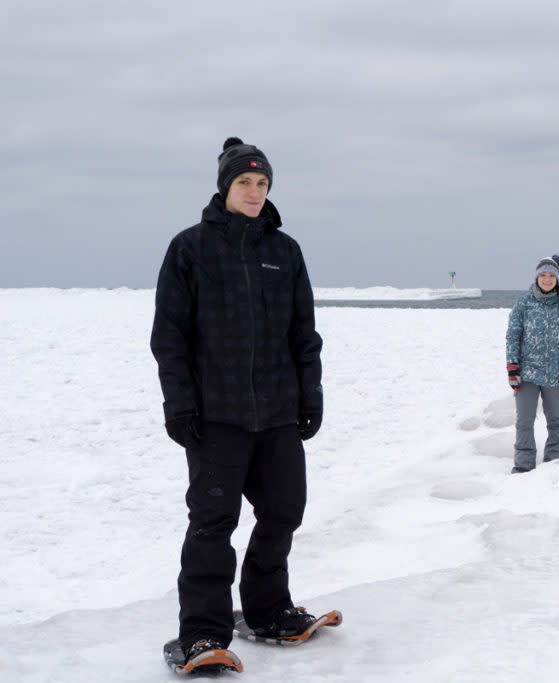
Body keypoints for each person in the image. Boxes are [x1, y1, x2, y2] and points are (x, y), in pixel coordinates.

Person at [151, 137, 325, 666]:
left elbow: (304, 334)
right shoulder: (190, 248)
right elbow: (170, 336)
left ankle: (268, 610)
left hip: (276, 412)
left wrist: (309, 394)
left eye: (262, 183)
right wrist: (179, 405)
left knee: (283, 511)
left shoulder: (285, 251)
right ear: (225, 187)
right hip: (215, 415)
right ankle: (202, 633)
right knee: (213, 522)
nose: (254, 191)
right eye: (245, 182)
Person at [505, 255, 559, 473]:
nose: (547, 280)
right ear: (537, 277)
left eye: (551, 276)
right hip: (527, 373)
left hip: (555, 374)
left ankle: (555, 464)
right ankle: (523, 465)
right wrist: (512, 367)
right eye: (543, 275)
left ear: (557, 278)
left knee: (556, 421)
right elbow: (513, 336)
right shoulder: (524, 303)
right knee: (524, 421)